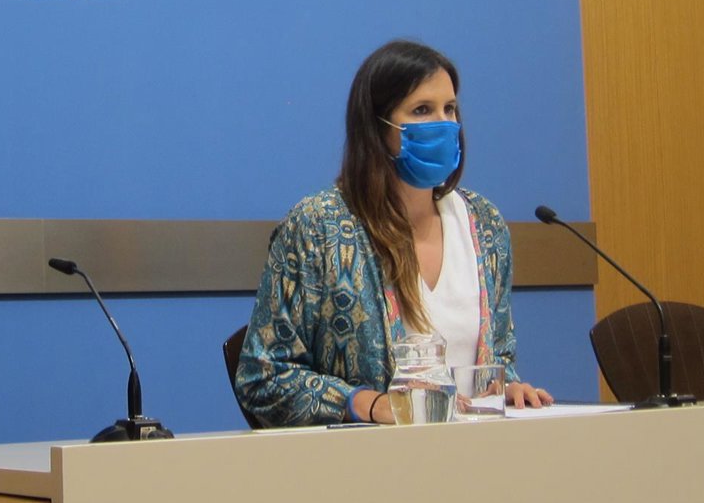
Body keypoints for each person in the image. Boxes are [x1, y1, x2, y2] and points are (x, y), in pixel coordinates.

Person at [235, 39, 552, 426]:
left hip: (475, 451)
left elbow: (497, 357)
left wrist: (509, 387)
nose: (444, 124)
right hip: (368, 457)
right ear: (378, 126)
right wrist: (368, 404)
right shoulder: (318, 227)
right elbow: (264, 378)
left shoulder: (485, 225)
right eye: (422, 110)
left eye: (450, 109)